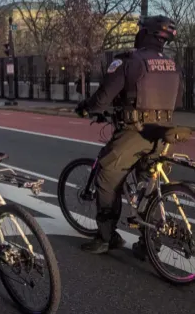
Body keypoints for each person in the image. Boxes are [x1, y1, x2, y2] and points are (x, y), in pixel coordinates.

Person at [75, 15, 182, 256]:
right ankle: (149, 244)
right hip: (163, 133)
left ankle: (106, 237)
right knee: (148, 185)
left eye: (140, 29)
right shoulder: (173, 64)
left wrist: (86, 107)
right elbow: (178, 99)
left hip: (135, 133)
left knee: (107, 176)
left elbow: (102, 99)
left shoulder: (129, 61)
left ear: (146, 34)